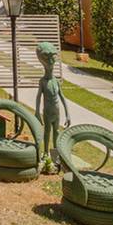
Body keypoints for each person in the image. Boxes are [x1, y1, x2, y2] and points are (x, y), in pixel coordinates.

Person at [33, 41, 70, 172]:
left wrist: (68, 114)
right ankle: (45, 153)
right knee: (47, 132)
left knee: (57, 133)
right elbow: (38, 97)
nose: (50, 65)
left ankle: (55, 156)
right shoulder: (43, 81)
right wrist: (37, 112)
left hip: (57, 111)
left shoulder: (56, 81)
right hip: (47, 111)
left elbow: (62, 97)